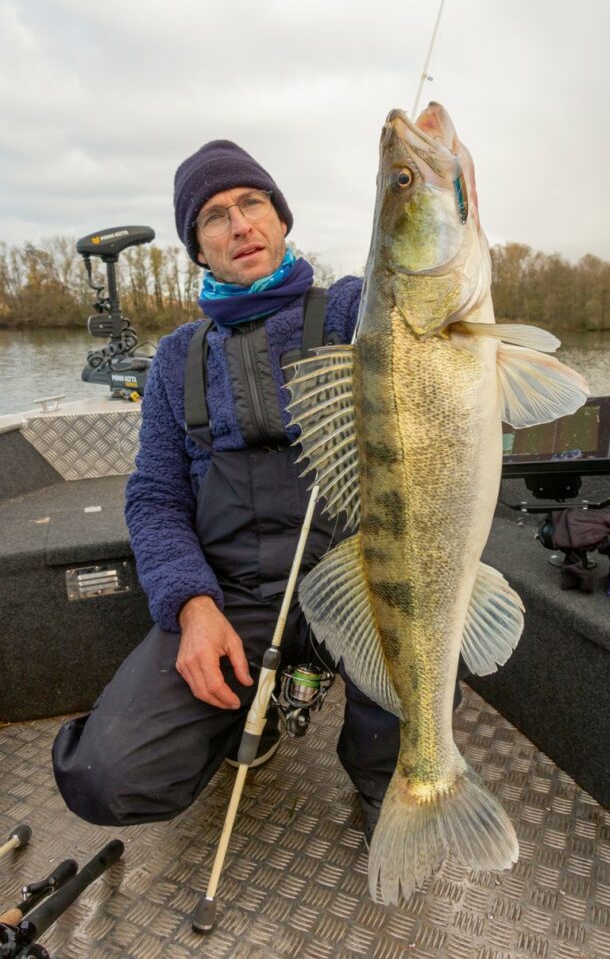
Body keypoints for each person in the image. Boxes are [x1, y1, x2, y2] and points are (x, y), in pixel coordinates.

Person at [51, 139, 400, 842]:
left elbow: (436, 301)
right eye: (214, 217)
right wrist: (191, 605)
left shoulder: (355, 312)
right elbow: (153, 497)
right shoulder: (178, 356)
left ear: (279, 220)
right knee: (104, 778)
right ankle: (252, 712)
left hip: (356, 578)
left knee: (421, 655)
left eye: (252, 204)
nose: (239, 224)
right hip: (233, 594)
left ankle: (382, 787)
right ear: (198, 250)